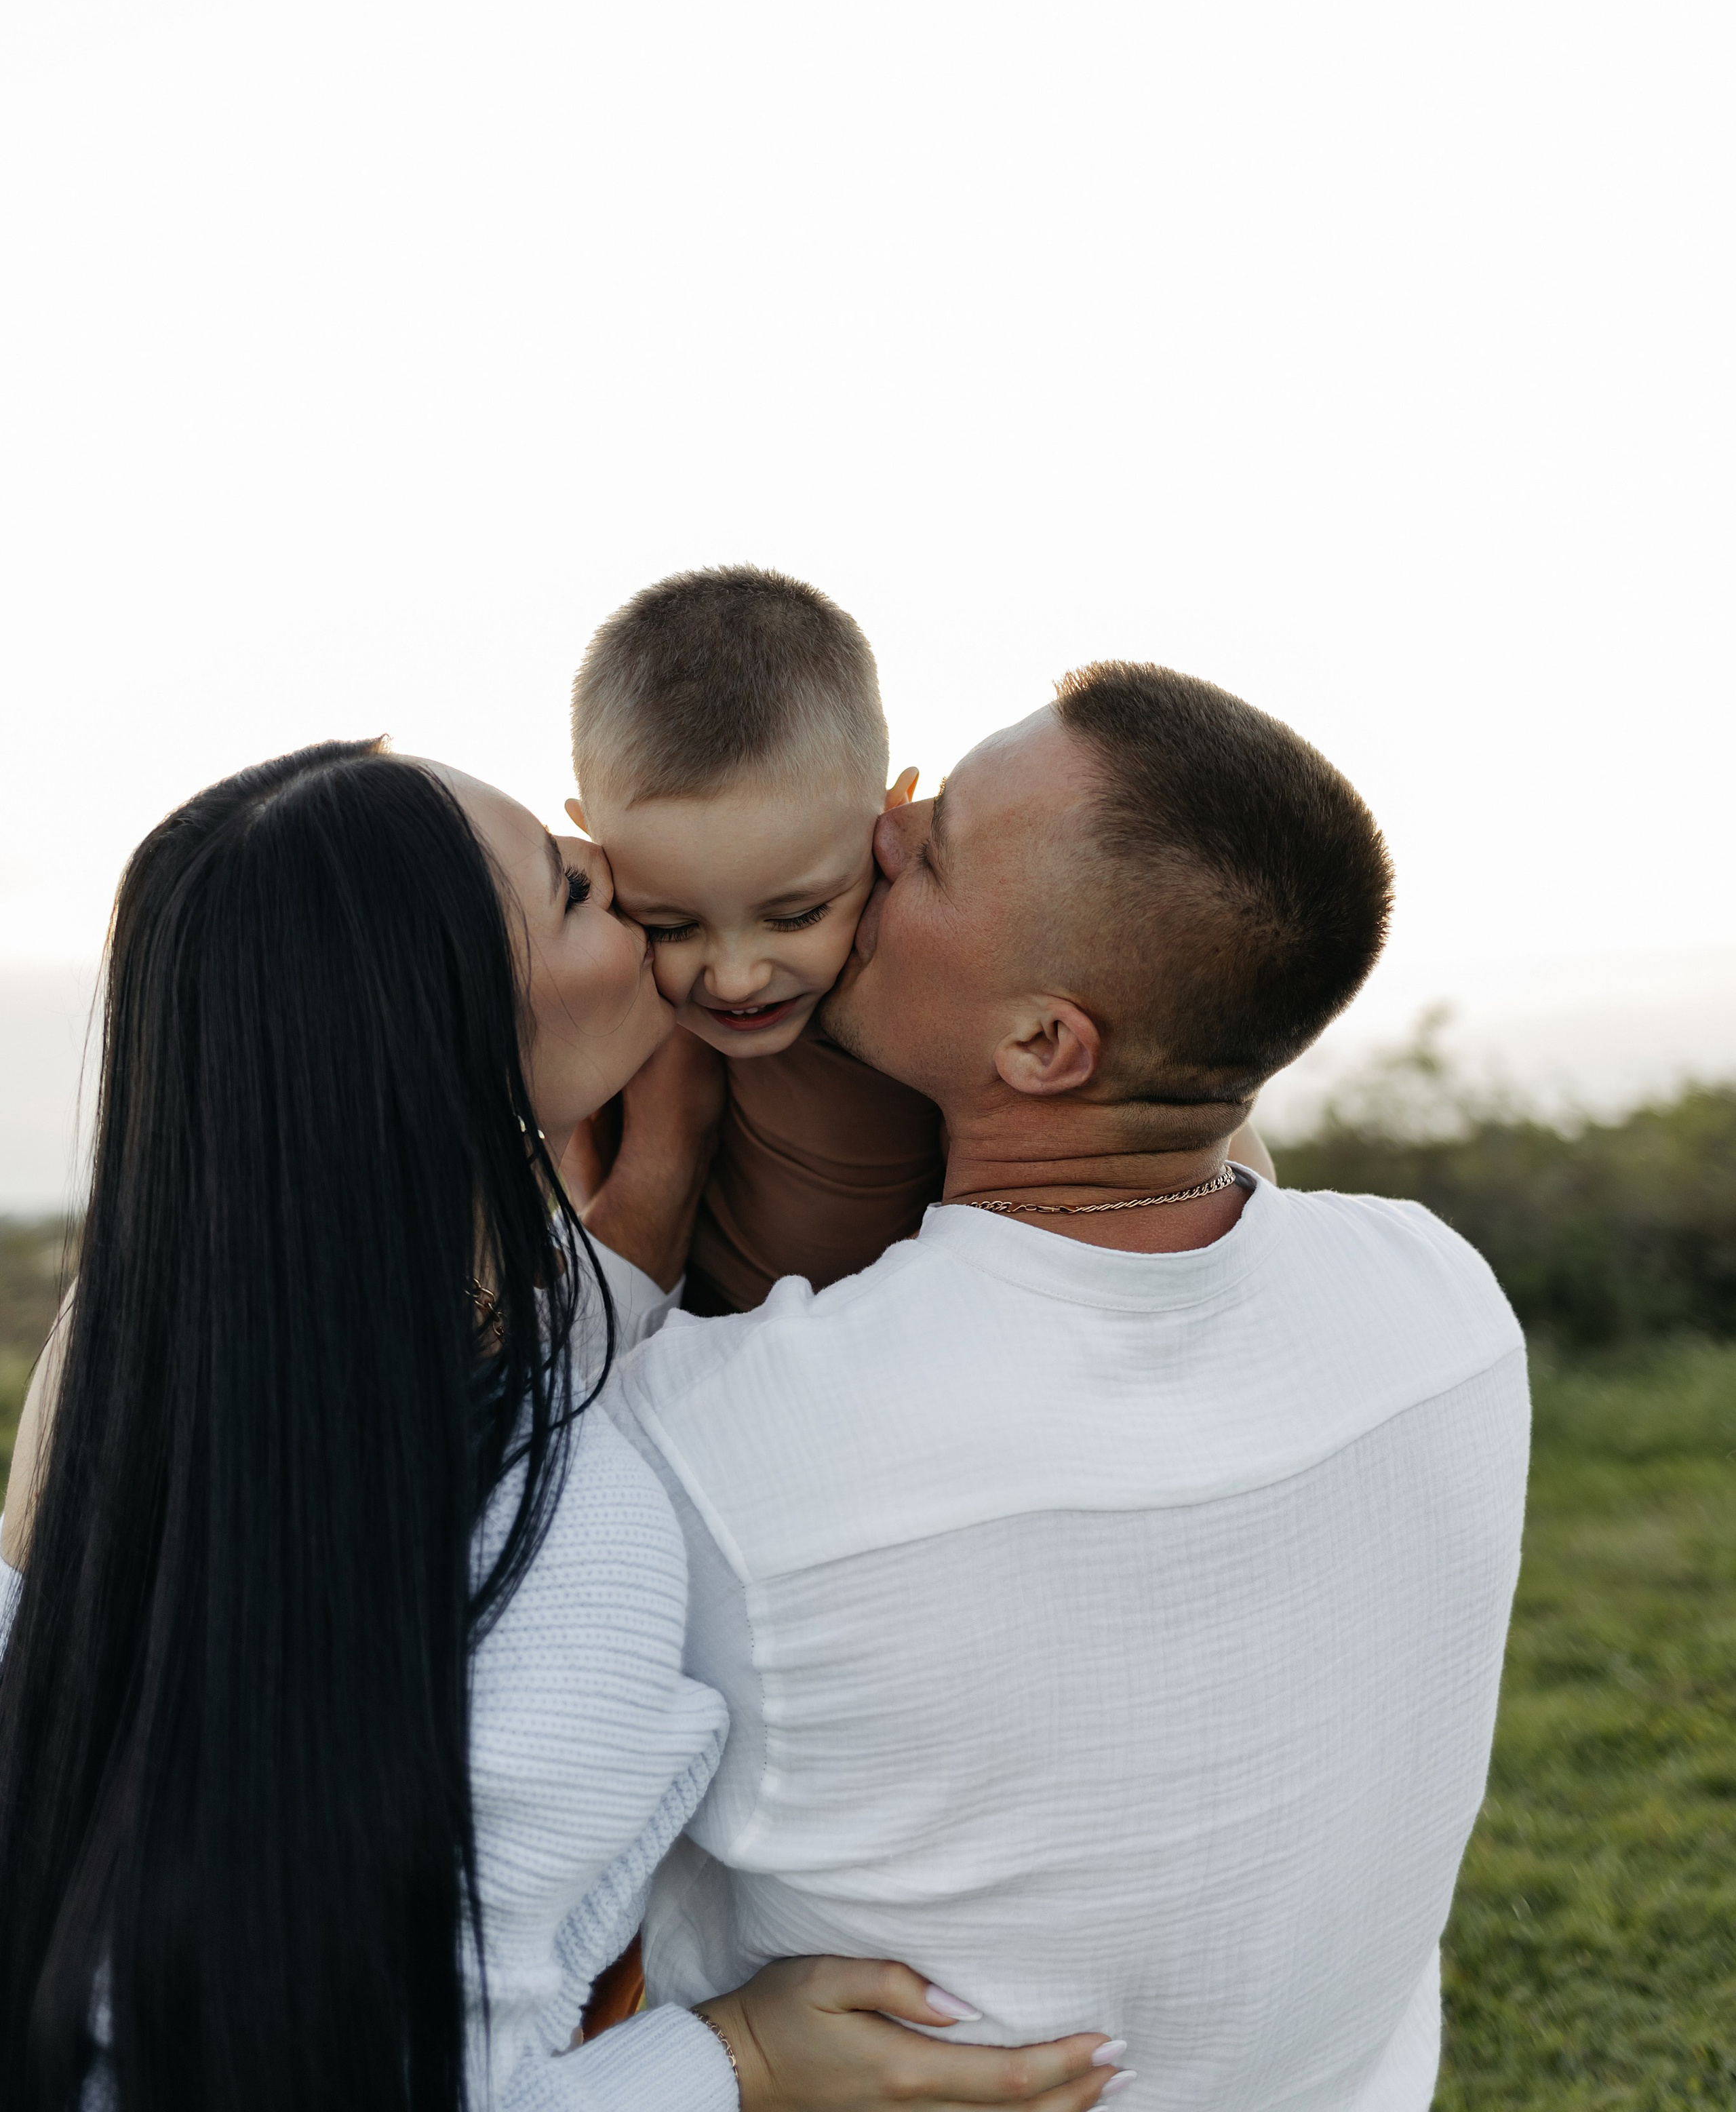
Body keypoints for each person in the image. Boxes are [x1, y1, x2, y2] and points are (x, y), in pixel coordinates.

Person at [0, 739, 1124, 2112]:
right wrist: (736, 2056)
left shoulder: (135, 1384)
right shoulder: (574, 1539)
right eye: (573, 890)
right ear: (461, 1042)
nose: (614, 869)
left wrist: (655, 1185)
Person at [599, 665, 1531, 2112]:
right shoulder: (1444, 1299)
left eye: (935, 852)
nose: (879, 834)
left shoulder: (730, 1443)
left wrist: (648, 1173)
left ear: (1042, 1046)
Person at [568, 568, 1269, 1315]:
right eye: (673, 926)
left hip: (916, 1339)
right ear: (593, 845)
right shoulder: (615, 1001)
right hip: (696, 1345)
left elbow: (1202, 1138)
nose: (736, 979)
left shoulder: (930, 995)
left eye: (798, 915)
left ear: (891, 820)